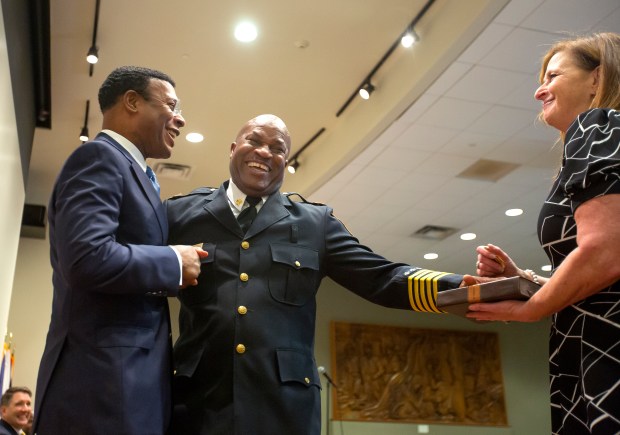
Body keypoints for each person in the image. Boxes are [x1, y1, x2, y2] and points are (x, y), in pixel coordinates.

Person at [165, 113, 481, 434]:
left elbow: (382, 277)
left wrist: (463, 288)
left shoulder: (315, 224)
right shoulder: (179, 215)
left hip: (284, 408)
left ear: (286, 163)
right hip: (198, 403)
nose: (264, 152)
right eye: (255, 141)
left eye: (277, 148)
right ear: (233, 148)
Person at [33, 66, 207, 435]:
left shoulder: (137, 173)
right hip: (103, 386)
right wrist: (173, 261)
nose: (181, 118)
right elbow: (86, 259)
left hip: (128, 381)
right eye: (171, 105)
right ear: (132, 101)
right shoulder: (99, 158)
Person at [468, 33, 620, 434]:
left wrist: (529, 308)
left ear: (596, 79)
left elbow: (606, 253)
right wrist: (525, 281)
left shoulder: (599, 126)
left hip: (608, 349)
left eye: (553, 76)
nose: (540, 91)